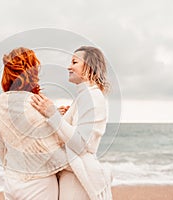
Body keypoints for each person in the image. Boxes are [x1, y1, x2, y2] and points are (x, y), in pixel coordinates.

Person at [31, 46, 113, 199]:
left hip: (77, 179)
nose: (69, 66)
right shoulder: (84, 96)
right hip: (74, 174)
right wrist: (64, 116)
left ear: (89, 67)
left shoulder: (92, 96)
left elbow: (81, 144)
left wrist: (52, 114)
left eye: (74, 62)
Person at [0, 47, 68, 200]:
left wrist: (55, 114)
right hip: (39, 183)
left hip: (11, 181)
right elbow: (51, 145)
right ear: (32, 71)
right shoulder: (36, 102)